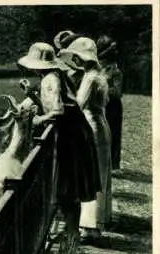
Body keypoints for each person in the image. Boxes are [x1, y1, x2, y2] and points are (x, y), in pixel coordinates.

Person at [17, 42, 102, 238]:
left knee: (67, 187)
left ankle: (71, 235)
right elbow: (56, 105)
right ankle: (70, 233)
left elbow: (57, 111)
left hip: (71, 136)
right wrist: (30, 93)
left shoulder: (50, 80)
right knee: (69, 187)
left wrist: (38, 119)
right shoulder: (57, 76)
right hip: (77, 132)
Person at [59, 37, 112, 240]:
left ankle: (90, 226)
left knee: (92, 174)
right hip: (101, 124)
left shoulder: (89, 78)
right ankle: (96, 222)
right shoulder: (98, 75)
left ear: (83, 58)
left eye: (77, 56)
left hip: (92, 127)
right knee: (100, 171)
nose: (75, 60)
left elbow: (79, 105)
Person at [97, 35, 124, 172]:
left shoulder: (115, 71)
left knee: (113, 132)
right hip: (99, 104)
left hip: (112, 106)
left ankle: (113, 164)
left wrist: (103, 86)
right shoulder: (96, 68)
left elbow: (117, 92)